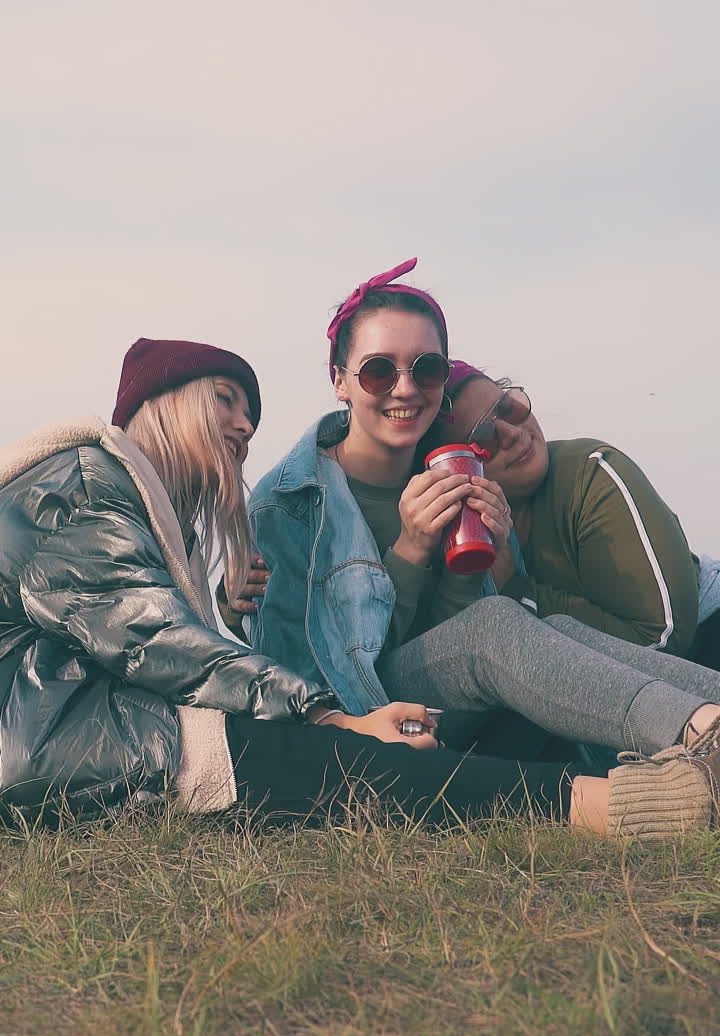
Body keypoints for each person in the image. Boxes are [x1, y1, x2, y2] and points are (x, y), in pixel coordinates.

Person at [5, 332, 691, 839]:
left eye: (426, 368)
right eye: (224, 400)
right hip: (54, 745)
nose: (244, 425)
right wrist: (328, 711)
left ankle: (701, 726)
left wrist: (494, 566)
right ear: (342, 381)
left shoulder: (143, 512)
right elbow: (153, 640)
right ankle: (625, 803)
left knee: (529, 635)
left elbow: (141, 636)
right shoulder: (91, 479)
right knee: (329, 764)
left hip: (80, 731)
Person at [224, 259, 720, 838]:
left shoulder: (450, 470)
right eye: (379, 371)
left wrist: (475, 563)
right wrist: (410, 552)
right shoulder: (289, 502)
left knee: (546, 624)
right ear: (340, 381)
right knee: (494, 626)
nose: (405, 388)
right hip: (362, 720)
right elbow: (303, 677)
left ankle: (708, 714)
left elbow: (454, 645)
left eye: (426, 369)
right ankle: (700, 730)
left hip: (455, 707)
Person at [433, 360, 719, 668]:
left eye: (508, 408)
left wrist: (519, 592)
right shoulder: (461, 538)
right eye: (484, 436)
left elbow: (664, 638)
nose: (513, 433)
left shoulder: (590, 472)